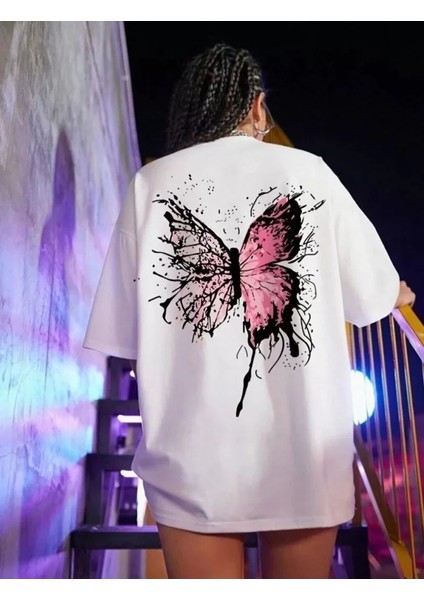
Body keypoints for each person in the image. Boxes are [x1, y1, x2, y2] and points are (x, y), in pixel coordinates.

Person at [84, 43, 415, 578]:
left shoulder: (151, 184)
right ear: (258, 107)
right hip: (302, 454)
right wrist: (395, 293)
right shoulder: (310, 173)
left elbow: (126, 337)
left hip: (191, 459)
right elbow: (371, 295)